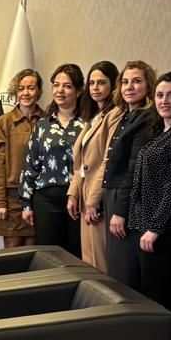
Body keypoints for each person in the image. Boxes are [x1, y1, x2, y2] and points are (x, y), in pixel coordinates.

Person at [125, 71, 171, 312]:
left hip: (164, 228)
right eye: (160, 95)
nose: (164, 101)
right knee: (148, 290)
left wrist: (154, 228)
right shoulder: (159, 130)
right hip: (143, 223)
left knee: (157, 293)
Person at [20, 64, 86, 255]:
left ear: (79, 90)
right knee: (50, 257)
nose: (60, 90)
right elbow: (31, 165)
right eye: (56, 85)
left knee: (76, 256)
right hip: (46, 200)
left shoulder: (89, 124)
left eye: (67, 86)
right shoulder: (42, 125)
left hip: (78, 200)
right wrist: (26, 203)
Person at [101, 61, 157, 285]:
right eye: (125, 82)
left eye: (136, 81)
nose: (129, 87)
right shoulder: (126, 115)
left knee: (123, 273)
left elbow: (135, 168)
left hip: (127, 200)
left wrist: (121, 211)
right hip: (113, 193)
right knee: (114, 268)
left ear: (148, 85)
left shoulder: (147, 118)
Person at [66, 61, 118, 270]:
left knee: (100, 263)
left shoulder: (114, 115)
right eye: (92, 83)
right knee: (89, 260)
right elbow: (81, 163)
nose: (95, 87)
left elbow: (107, 161)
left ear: (113, 85)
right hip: (85, 196)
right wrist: (73, 194)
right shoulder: (93, 117)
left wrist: (93, 201)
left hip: (98, 200)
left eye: (102, 82)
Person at [0, 69, 43, 248]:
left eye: (31, 88)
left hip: (40, 197)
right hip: (11, 199)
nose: (26, 93)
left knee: (36, 254)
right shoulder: (3, 122)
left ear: (39, 91)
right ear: (15, 92)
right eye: (21, 89)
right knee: (12, 256)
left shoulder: (47, 121)